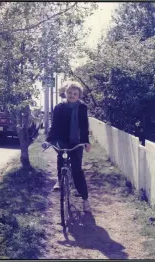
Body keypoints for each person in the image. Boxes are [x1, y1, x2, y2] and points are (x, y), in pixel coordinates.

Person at [46, 80, 91, 212]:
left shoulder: (82, 108)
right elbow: (54, 125)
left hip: (76, 140)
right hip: (62, 139)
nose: (72, 95)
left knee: (77, 170)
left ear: (79, 95)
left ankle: (85, 200)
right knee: (61, 157)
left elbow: (84, 126)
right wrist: (49, 139)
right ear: (65, 93)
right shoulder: (59, 107)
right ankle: (60, 180)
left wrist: (86, 142)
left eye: (75, 93)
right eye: (70, 93)